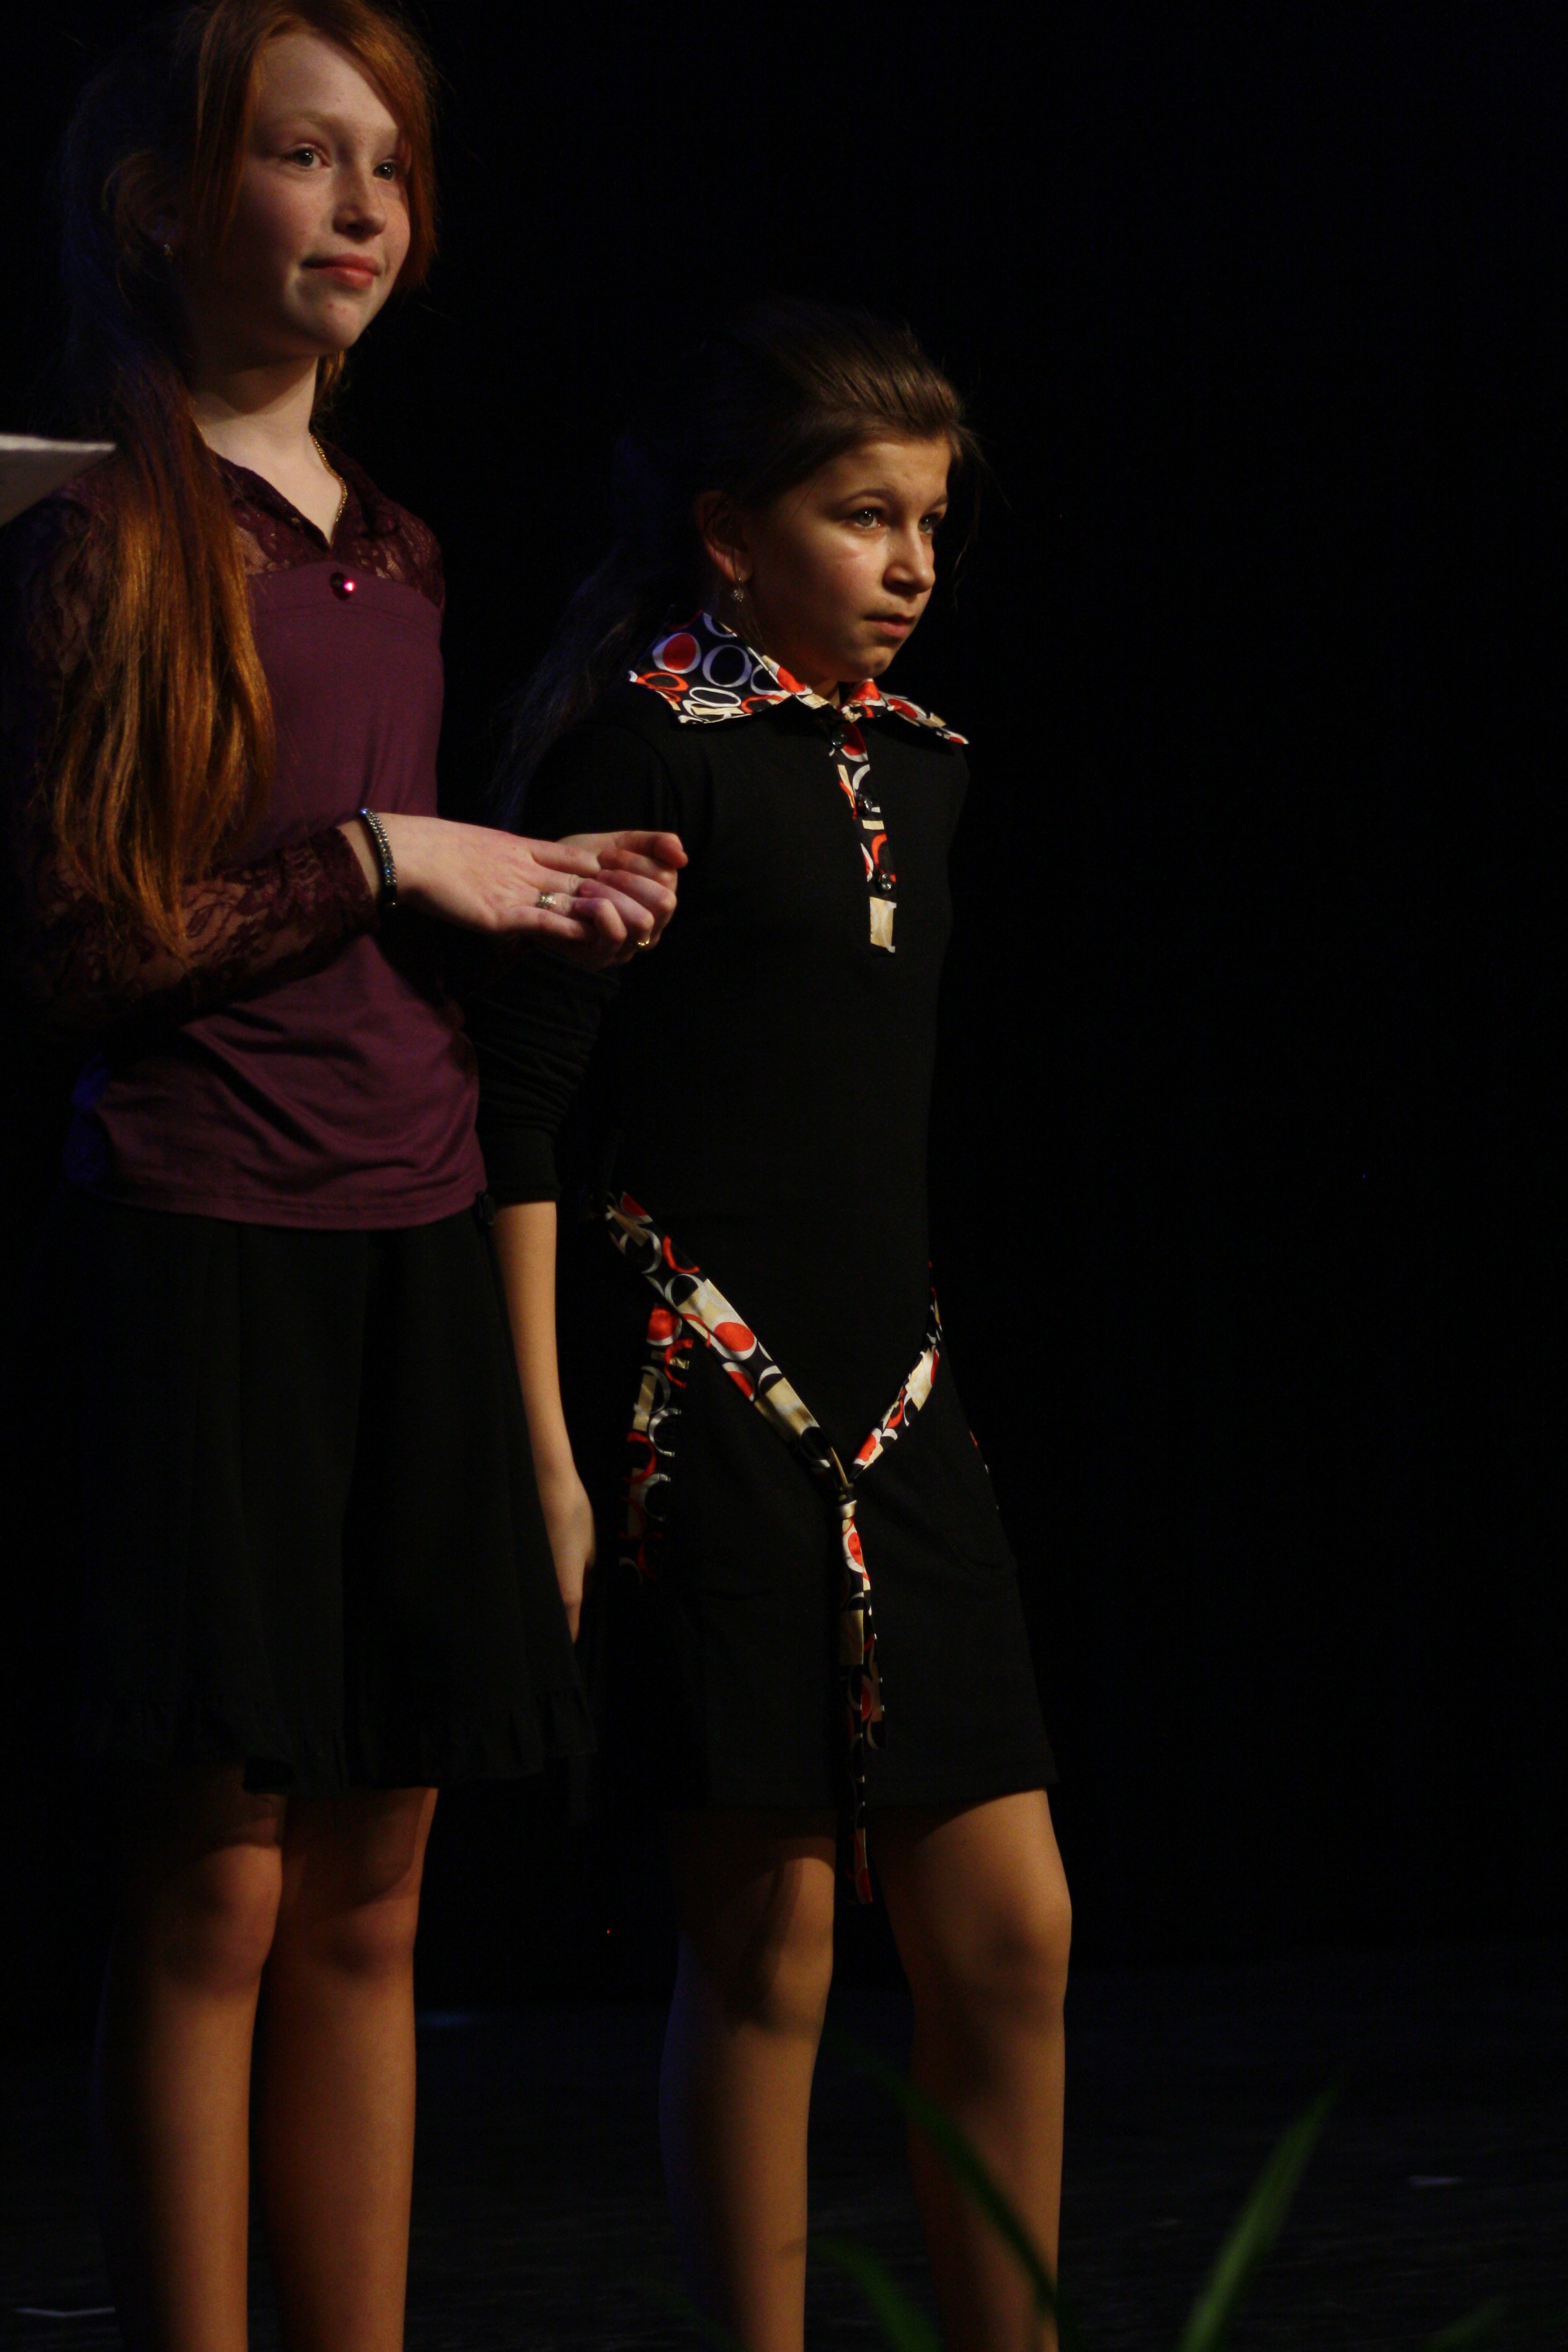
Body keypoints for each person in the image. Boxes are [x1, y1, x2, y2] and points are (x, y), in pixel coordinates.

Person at [0, 5, 681, 2345]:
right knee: (214, 1889)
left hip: (409, 1236)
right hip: (207, 1245)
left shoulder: (396, 545)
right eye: (304, 155)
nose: (366, 204)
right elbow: (78, 949)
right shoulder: (89, 527)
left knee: (378, 1895)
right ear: (161, 206)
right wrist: (390, 855)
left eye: (388, 161)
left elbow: (378, 898)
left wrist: (533, 887)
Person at [474, 302, 1071, 2352]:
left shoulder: (929, 773)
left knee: (1014, 1938)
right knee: (772, 1956)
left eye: (932, 523)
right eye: (862, 516)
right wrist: (545, 1452)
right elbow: (521, 1116)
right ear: (732, 534)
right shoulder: (644, 753)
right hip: (706, 1399)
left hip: (904, 1410)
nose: (913, 563)